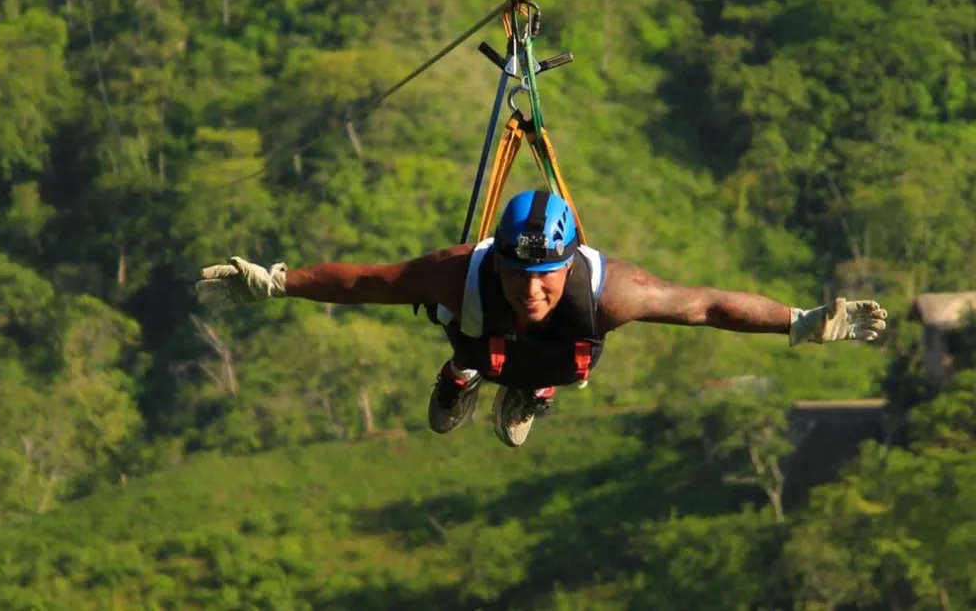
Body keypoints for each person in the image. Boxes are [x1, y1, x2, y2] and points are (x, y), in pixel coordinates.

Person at [194, 189, 887, 448]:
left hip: (554, 356)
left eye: (545, 279)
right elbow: (366, 282)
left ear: (565, 268)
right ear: (498, 262)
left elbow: (706, 305)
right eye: (518, 276)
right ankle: (463, 379)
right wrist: (277, 282)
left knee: (567, 357)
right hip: (480, 340)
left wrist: (801, 321)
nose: (532, 290)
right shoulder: (457, 271)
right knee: (475, 346)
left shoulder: (612, 292)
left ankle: (530, 392)